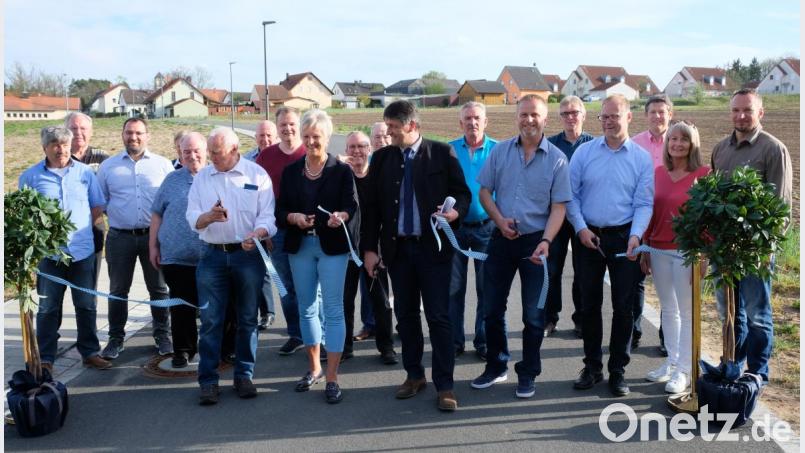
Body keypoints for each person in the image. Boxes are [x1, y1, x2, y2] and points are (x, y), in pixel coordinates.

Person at [361, 100, 471, 412]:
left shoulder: (441, 153)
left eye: (394, 128)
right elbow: (371, 210)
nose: (389, 133)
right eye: (387, 127)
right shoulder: (381, 159)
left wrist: (454, 213)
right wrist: (370, 250)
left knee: (439, 317)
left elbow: (463, 193)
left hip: (434, 251)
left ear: (412, 126)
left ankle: (445, 385)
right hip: (398, 252)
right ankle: (414, 375)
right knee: (406, 316)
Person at [470, 95, 570, 399]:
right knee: (491, 308)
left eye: (534, 115)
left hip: (535, 244)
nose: (528, 120)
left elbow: (559, 207)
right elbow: (485, 191)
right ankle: (496, 365)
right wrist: (499, 221)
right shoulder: (500, 152)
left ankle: (528, 372)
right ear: (517, 117)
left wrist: (546, 241)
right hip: (501, 238)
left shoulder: (556, 159)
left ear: (545, 118)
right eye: (523, 114)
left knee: (533, 313)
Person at [567, 94, 654, 397]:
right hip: (589, 238)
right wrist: (580, 228)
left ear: (629, 117)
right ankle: (592, 367)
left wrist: (636, 234)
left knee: (624, 307)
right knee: (589, 305)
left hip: (624, 239)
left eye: (615, 116)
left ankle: (618, 370)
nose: (609, 121)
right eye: (604, 117)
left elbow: (644, 203)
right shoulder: (583, 153)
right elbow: (571, 197)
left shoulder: (641, 158)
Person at [186, 127, 277, 405]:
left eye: (217, 152)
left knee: (248, 318)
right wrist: (207, 217)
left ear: (235, 150)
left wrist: (258, 234)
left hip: (247, 256)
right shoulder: (203, 177)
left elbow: (268, 217)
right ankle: (208, 381)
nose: (211, 157)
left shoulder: (256, 175)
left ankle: (244, 376)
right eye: (210, 151)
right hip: (212, 255)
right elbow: (191, 218)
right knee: (211, 320)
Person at [711, 88, 792, 386]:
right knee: (730, 313)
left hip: (755, 251)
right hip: (724, 249)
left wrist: (766, 248)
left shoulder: (773, 149)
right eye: (735, 110)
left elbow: (781, 208)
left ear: (761, 112)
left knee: (758, 314)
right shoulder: (721, 149)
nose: (740, 116)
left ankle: (758, 372)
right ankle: (732, 365)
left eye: (747, 110)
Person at [276, 109, 357, 404]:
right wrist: (294, 217)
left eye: (317, 137)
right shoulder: (291, 171)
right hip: (301, 246)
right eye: (306, 136)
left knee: (333, 309)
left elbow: (351, 204)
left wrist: (342, 216)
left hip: (332, 247)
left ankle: (333, 376)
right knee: (306, 307)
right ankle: (313, 368)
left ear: (327, 136)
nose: (311, 142)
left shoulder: (341, 170)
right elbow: (280, 210)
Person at [19, 126, 112, 372]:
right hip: (49, 256)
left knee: (86, 304)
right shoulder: (30, 177)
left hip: (82, 253)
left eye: (64, 144)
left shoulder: (84, 173)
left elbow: (97, 205)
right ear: (45, 148)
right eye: (54, 145)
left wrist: (79, 228)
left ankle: (90, 352)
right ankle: (46, 358)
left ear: (71, 146)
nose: (60, 149)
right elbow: (25, 214)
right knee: (49, 307)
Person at [641, 121, 710, 393]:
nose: (677, 144)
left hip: (688, 252)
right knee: (667, 309)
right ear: (667, 144)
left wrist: (705, 253)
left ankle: (685, 369)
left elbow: (708, 218)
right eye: (672, 139)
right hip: (658, 249)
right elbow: (649, 210)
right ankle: (671, 363)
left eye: (683, 139)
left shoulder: (704, 174)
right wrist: (645, 246)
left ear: (692, 144)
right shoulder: (657, 172)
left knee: (687, 311)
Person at [97, 118, 174, 360]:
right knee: (118, 290)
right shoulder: (108, 167)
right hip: (120, 238)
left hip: (154, 238)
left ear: (147, 136)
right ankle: (115, 339)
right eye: (129, 133)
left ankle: (162, 335)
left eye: (139, 133)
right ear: (122, 135)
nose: (134, 137)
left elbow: (171, 201)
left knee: (159, 289)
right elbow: (102, 201)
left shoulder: (162, 165)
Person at [149, 132, 208, 368]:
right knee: (181, 307)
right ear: (180, 155)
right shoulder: (172, 180)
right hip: (176, 256)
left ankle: (224, 347)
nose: (192, 156)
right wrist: (153, 246)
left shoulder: (216, 177)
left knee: (215, 305)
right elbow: (156, 213)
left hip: (210, 256)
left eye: (196, 151)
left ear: (206, 151)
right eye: (186, 152)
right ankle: (183, 350)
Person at [340, 131, 398, 365]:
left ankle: (386, 347)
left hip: (374, 247)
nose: (357, 152)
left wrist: (379, 249)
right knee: (345, 300)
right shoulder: (341, 177)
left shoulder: (379, 177)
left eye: (362, 146)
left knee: (381, 301)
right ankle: (344, 347)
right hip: (346, 249)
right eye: (352, 147)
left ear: (370, 150)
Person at [447, 102, 497, 360]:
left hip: (487, 229)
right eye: (467, 119)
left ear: (485, 122)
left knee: (486, 288)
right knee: (453, 288)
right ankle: (454, 341)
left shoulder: (498, 150)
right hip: (455, 229)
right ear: (460, 123)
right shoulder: (449, 150)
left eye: (477, 118)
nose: (472, 123)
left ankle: (484, 340)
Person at [256, 107, 307, 355]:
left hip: (307, 230)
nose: (287, 129)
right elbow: (255, 196)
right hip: (276, 232)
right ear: (277, 129)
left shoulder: (309, 151)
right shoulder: (265, 158)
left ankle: (317, 333)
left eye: (291, 124)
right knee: (285, 286)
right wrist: (262, 230)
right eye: (283, 125)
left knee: (310, 285)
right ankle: (296, 333)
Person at [545, 95, 594, 338]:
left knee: (582, 270)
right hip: (556, 215)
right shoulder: (550, 144)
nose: (570, 117)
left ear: (583, 115)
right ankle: (549, 318)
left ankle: (582, 319)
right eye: (565, 113)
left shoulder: (594, 144)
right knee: (551, 269)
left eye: (574, 112)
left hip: (584, 218)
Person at [630, 94, 674, 351]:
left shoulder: (680, 141)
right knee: (636, 279)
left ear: (670, 114)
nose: (657, 116)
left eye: (662, 111)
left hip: (668, 219)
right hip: (640, 217)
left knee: (667, 284)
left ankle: (666, 338)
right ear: (646, 115)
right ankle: (634, 332)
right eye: (653, 112)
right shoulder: (635, 144)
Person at [351, 121, 391, 341]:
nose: (381, 140)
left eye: (385, 136)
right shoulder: (352, 169)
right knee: (369, 289)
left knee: (388, 291)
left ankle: (394, 331)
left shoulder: (392, 163)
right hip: (359, 241)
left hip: (387, 238)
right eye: (377, 137)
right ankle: (370, 325)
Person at [65, 112, 110, 285]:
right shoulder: (59, 156)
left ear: (90, 132)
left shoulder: (102, 157)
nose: (78, 132)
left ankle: (88, 308)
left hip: (94, 225)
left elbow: (109, 191)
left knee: (89, 282)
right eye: (73, 128)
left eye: (83, 128)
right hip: (64, 226)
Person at [245, 120, 279, 330]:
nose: (265, 140)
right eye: (261, 136)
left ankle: (271, 311)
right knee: (259, 267)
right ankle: (265, 312)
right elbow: (246, 188)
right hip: (255, 220)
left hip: (279, 219)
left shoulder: (280, 156)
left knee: (276, 270)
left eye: (269, 135)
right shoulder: (248, 159)